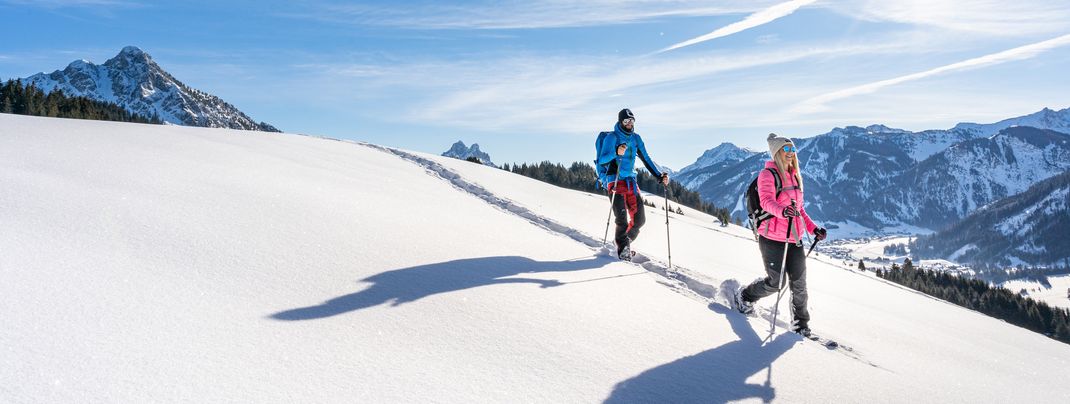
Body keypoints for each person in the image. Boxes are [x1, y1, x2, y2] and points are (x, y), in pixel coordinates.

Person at [733, 134, 827, 337]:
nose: (791, 154)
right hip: (772, 238)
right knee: (776, 283)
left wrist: (813, 229)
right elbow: (766, 201)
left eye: (793, 150)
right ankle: (745, 296)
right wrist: (782, 211)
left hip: (794, 238)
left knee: (799, 284)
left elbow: (800, 210)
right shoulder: (768, 175)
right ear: (776, 153)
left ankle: (801, 325)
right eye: (786, 150)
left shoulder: (794, 176)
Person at [596, 108, 669, 261]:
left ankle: (624, 244)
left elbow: (646, 158)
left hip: (630, 182)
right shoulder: (611, 138)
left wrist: (659, 176)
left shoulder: (636, 139)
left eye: (632, 121)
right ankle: (623, 252)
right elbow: (602, 160)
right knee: (621, 219)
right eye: (626, 121)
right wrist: (616, 151)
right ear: (620, 122)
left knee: (639, 220)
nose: (629, 124)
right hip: (614, 180)